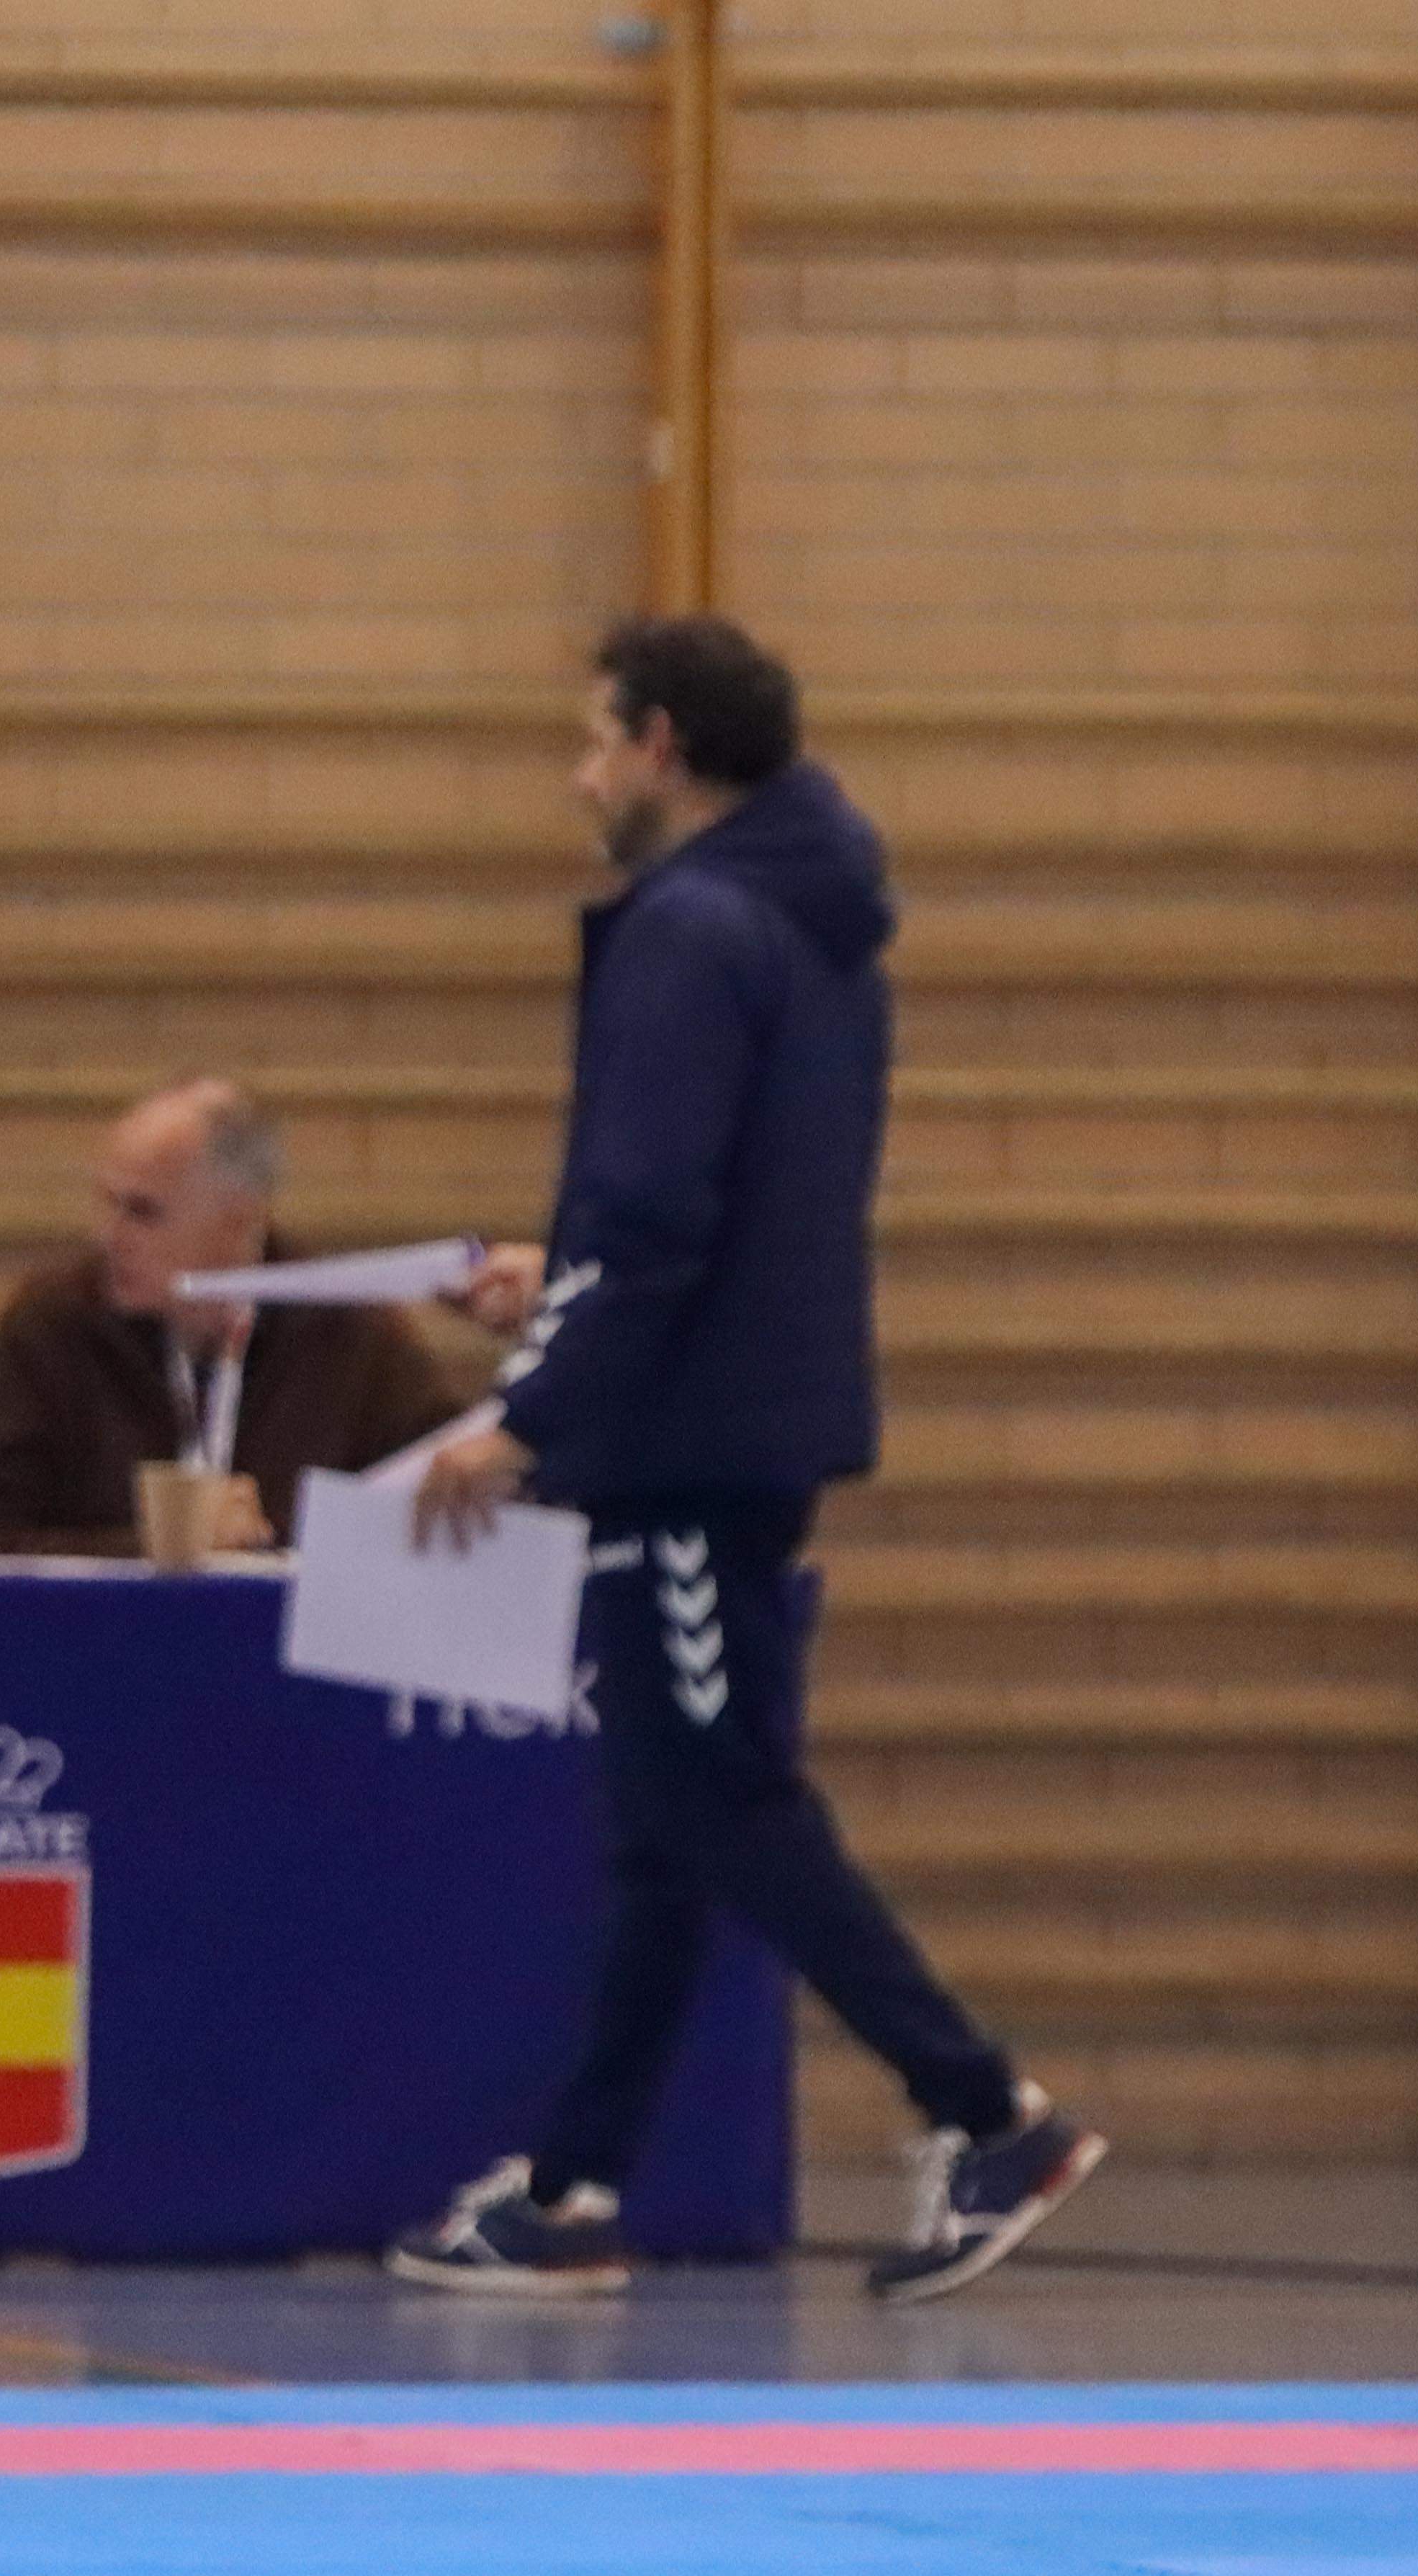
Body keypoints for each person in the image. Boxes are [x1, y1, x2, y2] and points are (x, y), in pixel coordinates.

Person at [393, 614, 1102, 2309]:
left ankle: (981, 2104)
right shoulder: (798, 925)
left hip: (689, 1452)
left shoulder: (692, 929)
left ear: (658, 748)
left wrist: (525, 1413)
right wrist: (545, 1291)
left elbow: (653, 1217)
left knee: (722, 1796)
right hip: (706, 1424)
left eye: (589, 742)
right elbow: (699, 1209)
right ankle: (571, 2188)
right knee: (666, 1817)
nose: (575, 779)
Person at [0, 1081, 467, 1558]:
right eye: (109, 1204)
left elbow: (449, 1515)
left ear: (236, 1222)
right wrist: (155, 1547)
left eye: (142, 1212)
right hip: (100, 1651)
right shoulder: (53, 1325)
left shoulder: (350, 1332)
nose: (110, 1236)